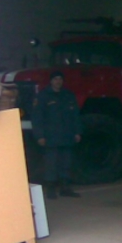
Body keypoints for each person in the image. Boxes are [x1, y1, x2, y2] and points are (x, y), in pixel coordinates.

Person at [31, 71, 83, 199]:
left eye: (60, 79)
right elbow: (37, 118)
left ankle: (65, 188)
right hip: (51, 137)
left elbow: (75, 116)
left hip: (67, 135)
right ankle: (51, 190)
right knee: (51, 164)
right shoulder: (43, 96)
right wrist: (40, 136)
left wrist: (77, 132)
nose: (58, 81)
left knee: (66, 163)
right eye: (55, 79)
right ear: (51, 81)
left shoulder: (68, 95)